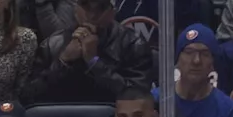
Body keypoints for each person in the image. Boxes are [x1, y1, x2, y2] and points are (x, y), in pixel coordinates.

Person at [22, 0, 153, 104]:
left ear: (113, 12)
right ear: (75, 9)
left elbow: (138, 99)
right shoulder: (53, 43)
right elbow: (30, 95)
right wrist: (63, 61)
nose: (92, 15)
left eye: (100, 7)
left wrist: (94, 63)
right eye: (85, 5)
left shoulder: (133, 44)